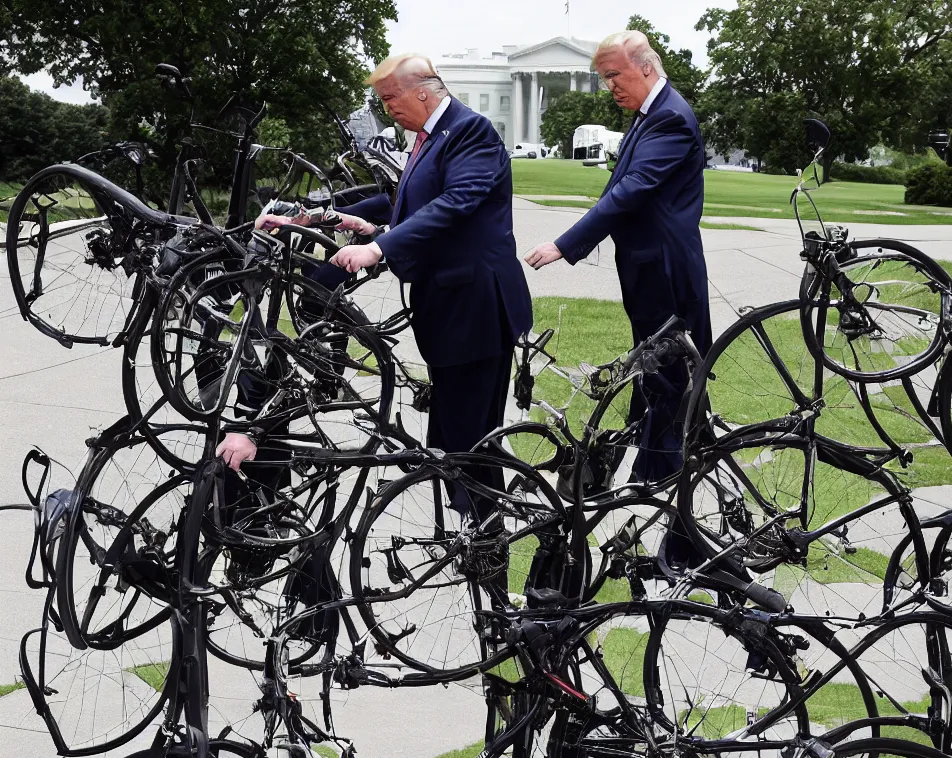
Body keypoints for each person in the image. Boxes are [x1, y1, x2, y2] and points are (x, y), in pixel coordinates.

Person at [219, 53, 532, 524]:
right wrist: (334, 220)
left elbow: (456, 202)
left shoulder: (471, 131)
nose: (387, 109)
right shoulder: (428, 138)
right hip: (449, 308)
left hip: (476, 309)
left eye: (390, 98)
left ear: (422, 91)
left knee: (470, 443)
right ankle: (473, 532)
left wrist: (380, 248)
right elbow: (403, 202)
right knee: (451, 439)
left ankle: (486, 545)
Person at [524, 30, 711, 487]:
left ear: (646, 66)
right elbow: (621, 190)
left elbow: (630, 191)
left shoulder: (669, 117)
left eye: (614, 75)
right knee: (655, 380)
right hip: (651, 268)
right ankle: (650, 476)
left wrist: (565, 244)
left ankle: (663, 486)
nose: (610, 87)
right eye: (605, 78)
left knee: (671, 385)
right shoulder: (650, 114)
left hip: (665, 272)